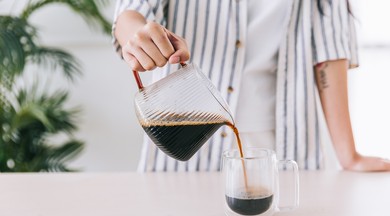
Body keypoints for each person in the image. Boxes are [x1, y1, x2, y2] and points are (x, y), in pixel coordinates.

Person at [112, 0, 390, 172]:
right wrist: (137, 37)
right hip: (185, 135)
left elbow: (329, 52)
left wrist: (349, 155)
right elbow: (131, 12)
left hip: (282, 143)